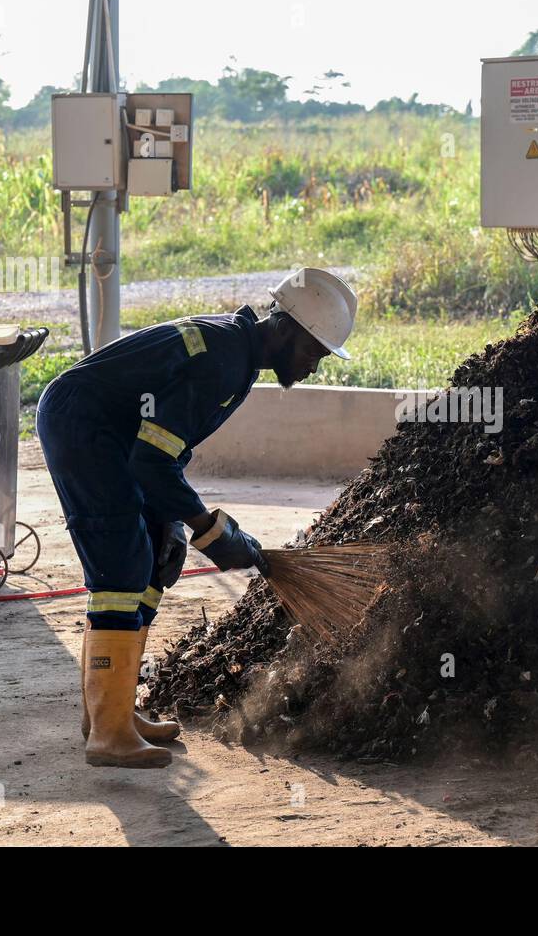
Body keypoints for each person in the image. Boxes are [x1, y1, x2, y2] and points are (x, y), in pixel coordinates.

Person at [36, 268, 357, 767]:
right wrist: (208, 528)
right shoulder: (224, 359)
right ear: (286, 328)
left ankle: (110, 711)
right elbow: (151, 461)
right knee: (121, 566)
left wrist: (176, 523)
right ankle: (108, 735)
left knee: (157, 560)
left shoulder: (240, 357)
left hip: (117, 436)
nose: (313, 367)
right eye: (313, 352)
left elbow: (165, 447)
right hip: (83, 426)